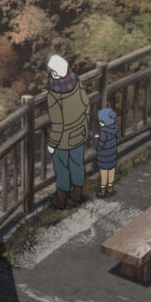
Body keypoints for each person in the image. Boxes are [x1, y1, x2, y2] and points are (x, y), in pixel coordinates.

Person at [46, 54, 89, 208]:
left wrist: (52, 144)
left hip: (63, 140)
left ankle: (61, 200)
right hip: (80, 132)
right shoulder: (77, 82)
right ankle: (77, 194)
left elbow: (58, 125)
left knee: (62, 168)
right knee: (78, 163)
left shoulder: (54, 95)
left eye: (52, 71)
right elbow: (86, 104)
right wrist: (85, 123)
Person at [93, 107, 120, 197]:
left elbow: (99, 146)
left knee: (104, 173)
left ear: (103, 122)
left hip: (104, 158)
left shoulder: (103, 133)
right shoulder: (115, 129)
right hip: (112, 155)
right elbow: (117, 140)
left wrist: (96, 139)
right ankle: (110, 188)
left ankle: (103, 190)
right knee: (111, 171)